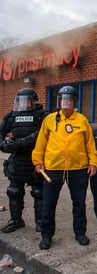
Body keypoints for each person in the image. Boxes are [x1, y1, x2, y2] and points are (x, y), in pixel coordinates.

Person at [32, 86, 97, 250]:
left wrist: (93, 162)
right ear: (59, 101)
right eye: (63, 99)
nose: (65, 102)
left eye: (69, 99)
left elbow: (90, 144)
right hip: (53, 168)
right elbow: (41, 143)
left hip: (78, 169)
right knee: (48, 203)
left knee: (79, 203)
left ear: (74, 102)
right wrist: (37, 160)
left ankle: (80, 233)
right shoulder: (49, 120)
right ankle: (46, 236)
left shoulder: (82, 120)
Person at [0, 88, 48, 233]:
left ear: (33, 101)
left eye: (26, 100)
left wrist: (23, 142)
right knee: (14, 191)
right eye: (20, 101)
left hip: (36, 159)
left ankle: (40, 222)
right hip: (17, 160)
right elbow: (0, 133)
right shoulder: (11, 116)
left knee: (39, 192)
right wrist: (4, 145)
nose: (23, 103)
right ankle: (16, 220)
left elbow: (47, 132)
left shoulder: (43, 116)